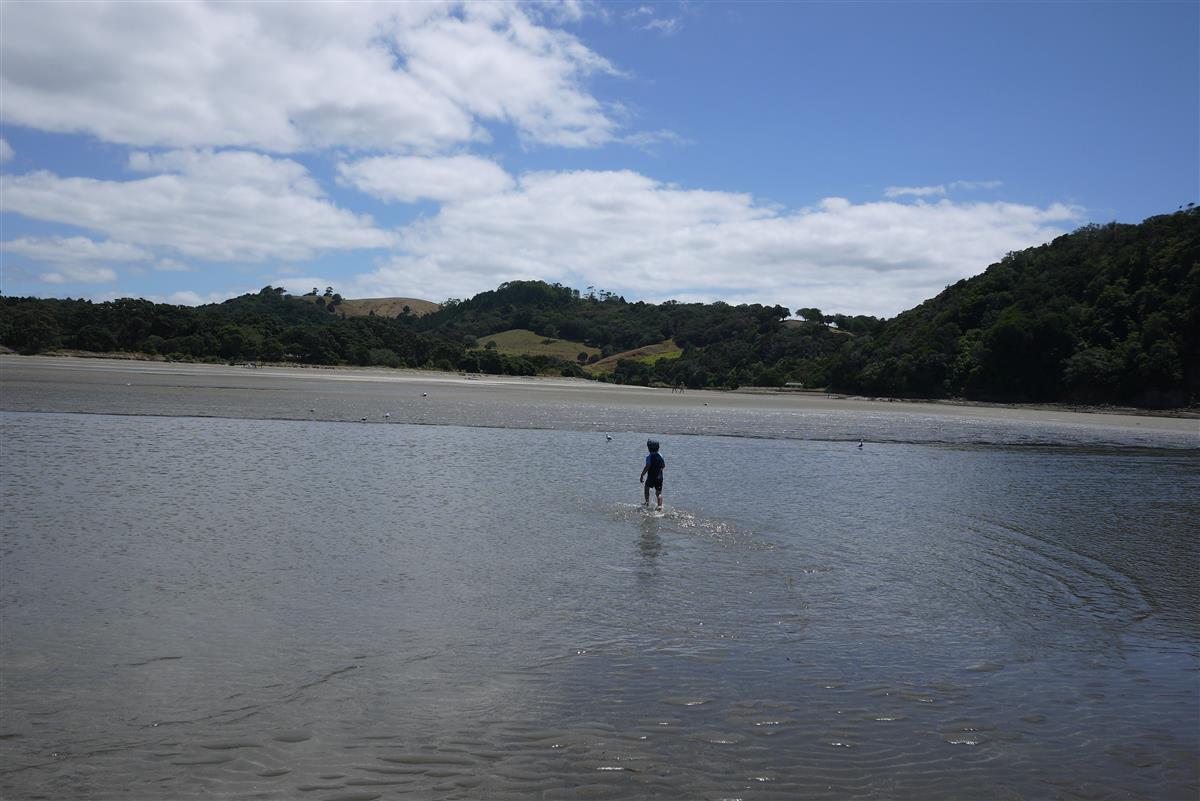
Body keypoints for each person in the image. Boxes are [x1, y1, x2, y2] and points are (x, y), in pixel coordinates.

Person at [639, 438, 666, 510]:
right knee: (659, 493)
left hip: (651, 477)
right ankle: (660, 506)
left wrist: (642, 475)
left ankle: (647, 502)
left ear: (649, 448)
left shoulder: (649, 457)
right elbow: (663, 466)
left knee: (646, 488)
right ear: (658, 448)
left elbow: (647, 467)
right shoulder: (661, 456)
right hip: (659, 477)